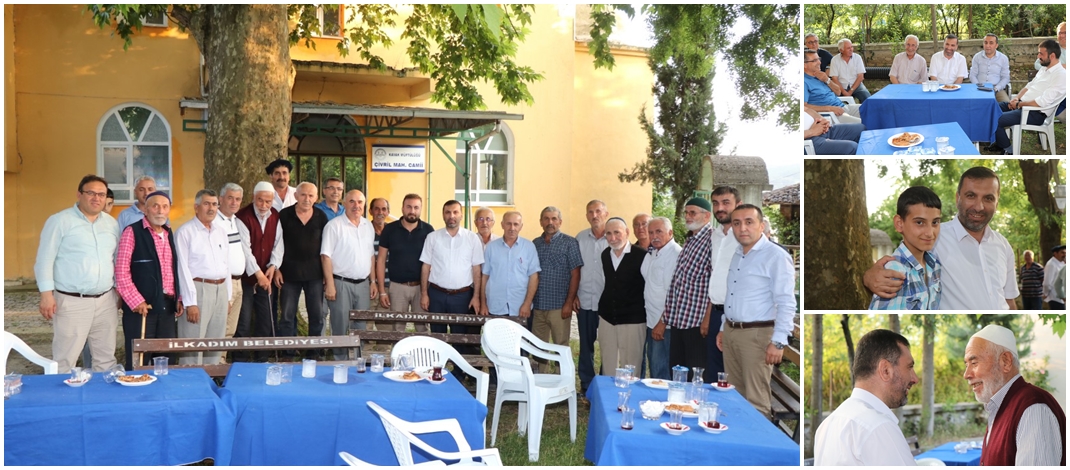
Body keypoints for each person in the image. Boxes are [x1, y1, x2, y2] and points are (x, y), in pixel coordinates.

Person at [866, 167, 1018, 310]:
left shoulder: (1003, 245)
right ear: (958, 198)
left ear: (997, 202)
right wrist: (868, 277)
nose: (979, 207)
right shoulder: (934, 238)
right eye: (971, 196)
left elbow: (1009, 299)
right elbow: (904, 259)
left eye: (989, 198)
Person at [35, 175, 121, 373]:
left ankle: (101, 393)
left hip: (106, 301)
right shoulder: (59, 221)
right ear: (79, 194)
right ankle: (61, 393)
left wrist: (118, 291)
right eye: (91, 193)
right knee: (65, 360)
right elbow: (44, 259)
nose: (96, 198)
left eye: (101, 194)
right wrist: (46, 295)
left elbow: (116, 259)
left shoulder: (111, 224)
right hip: (72, 302)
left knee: (106, 359)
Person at [716, 204, 796, 418]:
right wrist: (724, 327)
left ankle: (761, 439)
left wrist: (778, 342)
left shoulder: (775, 256)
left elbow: (786, 302)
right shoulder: (738, 254)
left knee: (756, 402)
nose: (742, 228)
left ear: (761, 226)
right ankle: (739, 437)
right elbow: (733, 293)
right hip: (732, 332)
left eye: (749, 222)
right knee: (734, 395)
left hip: (757, 336)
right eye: (736, 223)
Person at [813, 329, 919, 466]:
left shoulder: (827, 425)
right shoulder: (878, 427)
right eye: (909, 367)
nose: (915, 378)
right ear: (886, 370)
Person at [963, 325, 1065, 465]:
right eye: (966, 365)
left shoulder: (1033, 409)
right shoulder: (1001, 406)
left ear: (1006, 361)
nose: (966, 374)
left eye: (974, 363)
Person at [116, 190, 180, 370]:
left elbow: (173, 269)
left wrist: (178, 297)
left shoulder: (168, 233)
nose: (160, 210)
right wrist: (136, 301)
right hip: (141, 309)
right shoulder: (132, 232)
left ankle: (162, 388)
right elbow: (121, 271)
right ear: (145, 209)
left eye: (165, 206)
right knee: (140, 359)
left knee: (166, 358)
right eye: (155, 206)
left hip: (167, 308)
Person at [174, 189, 230, 365]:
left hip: (220, 290)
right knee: (193, 342)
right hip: (198, 290)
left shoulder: (221, 232)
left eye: (214, 204)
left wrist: (228, 297)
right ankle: (191, 378)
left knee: (215, 341)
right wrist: (190, 302)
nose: (211, 208)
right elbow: (182, 269)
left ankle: (211, 377)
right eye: (206, 204)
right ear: (196, 207)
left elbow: (226, 265)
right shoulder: (185, 232)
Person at [660, 197, 713, 381]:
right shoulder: (690, 240)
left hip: (697, 323)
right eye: (686, 212)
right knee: (677, 373)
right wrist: (667, 317)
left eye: (693, 213)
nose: (688, 216)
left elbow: (715, 283)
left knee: (695, 376)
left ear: (706, 216)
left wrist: (707, 318)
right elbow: (678, 283)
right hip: (679, 320)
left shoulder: (712, 241)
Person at [321, 190, 377, 360]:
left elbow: (371, 256)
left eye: (360, 202)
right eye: (352, 201)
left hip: (363, 284)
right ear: (344, 203)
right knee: (340, 324)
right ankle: (340, 361)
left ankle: (358, 360)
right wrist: (330, 284)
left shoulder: (368, 226)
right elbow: (325, 256)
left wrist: (373, 281)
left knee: (361, 325)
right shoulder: (334, 226)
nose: (356, 205)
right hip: (341, 283)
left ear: (364, 205)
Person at [277, 182, 328, 360]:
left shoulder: (321, 216)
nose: (307, 199)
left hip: (315, 274)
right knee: (287, 315)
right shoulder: (284, 215)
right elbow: (276, 244)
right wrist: (276, 269)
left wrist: (327, 275)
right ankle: (288, 351)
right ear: (296, 196)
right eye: (303, 195)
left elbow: (327, 247)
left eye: (311, 195)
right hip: (288, 273)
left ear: (316, 198)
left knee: (316, 315)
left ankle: (314, 351)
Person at [869, 187, 943, 310]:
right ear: (899, 223)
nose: (930, 233)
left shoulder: (934, 265)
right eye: (919, 222)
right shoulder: (895, 270)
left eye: (935, 222)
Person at [420, 200, 483, 337]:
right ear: (443, 215)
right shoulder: (432, 237)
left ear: (461, 215)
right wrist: (424, 294)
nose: (451, 216)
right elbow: (426, 266)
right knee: (437, 335)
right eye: (448, 212)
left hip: (462, 296)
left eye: (455, 212)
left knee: (460, 336)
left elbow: (477, 270)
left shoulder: (472, 238)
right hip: (436, 294)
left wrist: (476, 296)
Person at [235, 182, 283, 362]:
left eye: (268, 201)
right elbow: (245, 250)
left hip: (267, 276)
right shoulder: (242, 217)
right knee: (244, 321)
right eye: (260, 200)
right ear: (253, 198)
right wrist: (258, 274)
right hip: (247, 278)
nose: (264, 205)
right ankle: (240, 360)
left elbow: (279, 244)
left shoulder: (275, 216)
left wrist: (273, 266)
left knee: (265, 320)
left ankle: (262, 358)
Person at [531, 206, 582, 373]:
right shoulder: (535, 244)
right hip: (538, 306)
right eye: (546, 219)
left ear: (560, 222)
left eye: (554, 219)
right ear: (541, 222)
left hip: (559, 306)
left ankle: (563, 381)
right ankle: (541, 381)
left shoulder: (569, 243)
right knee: (538, 347)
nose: (550, 222)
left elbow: (575, 273)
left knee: (561, 346)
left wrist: (569, 302)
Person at [992, 40, 1066, 155]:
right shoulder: (1044, 69)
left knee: (995, 120)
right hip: (1022, 105)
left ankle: (1008, 150)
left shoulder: (1061, 75)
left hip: (1034, 113)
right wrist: (1017, 98)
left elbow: (1043, 102)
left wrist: (1019, 104)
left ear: (1052, 56)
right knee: (991, 109)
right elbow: (1029, 86)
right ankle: (1000, 143)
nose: (1038, 56)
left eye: (1041, 54)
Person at [376, 193, 434, 332]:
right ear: (402, 208)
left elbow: (433, 261)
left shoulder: (428, 230)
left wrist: (427, 292)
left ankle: (422, 348)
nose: (412, 211)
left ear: (420, 209)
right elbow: (381, 260)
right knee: (397, 328)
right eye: (409, 207)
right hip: (397, 287)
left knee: (422, 328)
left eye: (416, 207)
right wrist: (382, 291)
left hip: (421, 287)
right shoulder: (390, 229)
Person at [596, 217, 646, 375]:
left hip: (633, 319)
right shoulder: (605, 255)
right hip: (607, 318)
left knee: (631, 366)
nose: (612, 238)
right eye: (608, 233)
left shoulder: (641, 255)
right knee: (608, 364)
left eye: (617, 232)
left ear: (627, 232)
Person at [704, 186, 742, 382]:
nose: (720, 208)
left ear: (738, 204)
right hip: (716, 312)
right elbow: (716, 279)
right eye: (716, 203)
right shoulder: (715, 235)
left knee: (732, 376)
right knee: (713, 373)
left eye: (726, 203)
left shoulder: (744, 237)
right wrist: (708, 316)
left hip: (737, 315)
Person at [575, 200, 610, 393]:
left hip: (607, 303)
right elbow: (574, 270)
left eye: (598, 211)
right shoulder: (580, 238)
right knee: (585, 345)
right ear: (587, 215)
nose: (594, 215)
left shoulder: (614, 237)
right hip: (585, 300)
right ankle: (586, 383)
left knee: (607, 345)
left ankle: (604, 383)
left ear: (606, 214)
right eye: (590, 212)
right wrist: (573, 295)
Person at [639, 217, 679, 380]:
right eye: (651, 232)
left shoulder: (675, 254)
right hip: (651, 320)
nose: (654, 236)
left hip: (664, 325)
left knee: (661, 371)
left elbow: (675, 294)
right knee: (654, 366)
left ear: (670, 232)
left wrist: (662, 323)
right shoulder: (654, 252)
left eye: (659, 232)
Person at [481, 211, 540, 318]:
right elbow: (485, 277)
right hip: (495, 306)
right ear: (502, 225)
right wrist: (483, 304)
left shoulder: (529, 247)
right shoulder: (491, 247)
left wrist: (527, 304)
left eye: (516, 224)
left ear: (521, 226)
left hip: (520, 308)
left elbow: (534, 277)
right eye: (508, 223)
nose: (512, 228)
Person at [216, 182, 248, 361]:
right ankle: (215, 365)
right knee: (219, 328)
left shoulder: (236, 221)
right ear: (221, 199)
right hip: (225, 284)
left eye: (238, 199)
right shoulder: (215, 222)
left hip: (238, 282)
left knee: (230, 329)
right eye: (230, 198)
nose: (234, 202)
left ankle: (221, 362)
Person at [804, 49, 863, 124]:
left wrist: (827, 80)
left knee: (871, 108)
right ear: (804, 65)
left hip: (843, 107)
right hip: (831, 115)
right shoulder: (804, 82)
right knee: (866, 123)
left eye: (819, 59)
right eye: (814, 60)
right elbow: (804, 107)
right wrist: (829, 108)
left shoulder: (820, 75)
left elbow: (838, 92)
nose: (819, 62)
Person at [970, 33, 1012, 102]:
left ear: (996, 45)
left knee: (1006, 104)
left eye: (991, 43)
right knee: (972, 103)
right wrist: (978, 86)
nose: (987, 45)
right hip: (979, 88)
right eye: (985, 43)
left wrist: (996, 88)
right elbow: (972, 75)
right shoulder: (977, 57)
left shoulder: (1003, 58)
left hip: (997, 89)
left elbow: (1005, 77)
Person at [829, 38, 870, 103]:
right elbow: (834, 79)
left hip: (856, 85)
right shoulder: (835, 60)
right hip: (840, 86)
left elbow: (860, 77)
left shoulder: (857, 58)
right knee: (831, 100)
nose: (851, 49)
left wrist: (850, 91)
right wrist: (844, 92)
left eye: (851, 47)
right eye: (848, 48)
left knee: (867, 98)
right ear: (841, 50)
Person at [1043, 245, 1066, 310]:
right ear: (1055, 253)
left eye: (1065, 253)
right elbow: (1047, 283)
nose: (1064, 255)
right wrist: (1045, 293)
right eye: (1062, 253)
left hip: (1062, 297)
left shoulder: (1062, 263)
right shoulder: (1051, 264)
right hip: (1055, 298)